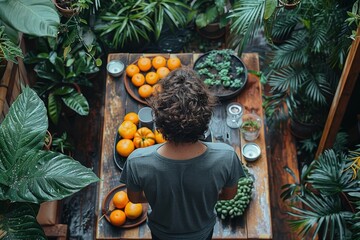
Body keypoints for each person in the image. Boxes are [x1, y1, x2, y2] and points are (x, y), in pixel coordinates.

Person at [120, 67, 245, 240]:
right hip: (201, 231)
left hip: (162, 233)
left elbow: (134, 198)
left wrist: (160, 196)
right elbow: (228, 195)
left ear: (159, 120)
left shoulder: (137, 161)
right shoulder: (227, 156)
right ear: (206, 118)